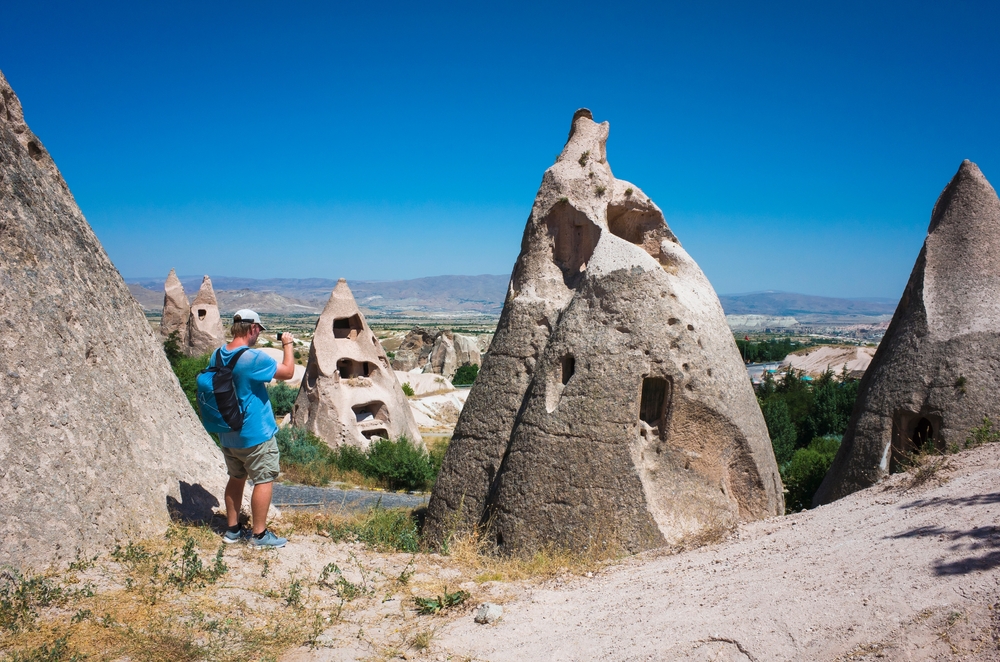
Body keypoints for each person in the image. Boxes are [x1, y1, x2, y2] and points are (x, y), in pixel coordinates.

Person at [215, 309, 296, 548]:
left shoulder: (217, 355)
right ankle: (259, 535)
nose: (259, 334)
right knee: (263, 479)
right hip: (255, 434)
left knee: (236, 478)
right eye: (259, 330)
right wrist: (288, 344)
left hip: (228, 433)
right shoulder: (253, 358)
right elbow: (288, 372)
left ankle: (232, 531)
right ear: (252, 328)